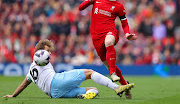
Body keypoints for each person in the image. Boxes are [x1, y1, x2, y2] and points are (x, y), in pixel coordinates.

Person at [3, 39, 134, 99]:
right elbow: (40, 61)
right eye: (47, 50)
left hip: (54, 94)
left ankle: (83, 96)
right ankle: (117, 88)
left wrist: (13, 95)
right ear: (41, 52)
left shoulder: (32, 69)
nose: (50, 53)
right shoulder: (41, 60)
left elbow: (22, 85)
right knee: (89, 73)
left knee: (94, 90)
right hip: (57, 81)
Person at [79, 0, 137, 99]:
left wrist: (126, 34)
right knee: (110, 64)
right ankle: (124, 85)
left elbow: (124, 23)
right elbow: (80, 8)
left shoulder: (119, 6)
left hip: (110, 33)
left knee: (109, 42)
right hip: (96, 38)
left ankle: (112, 73)